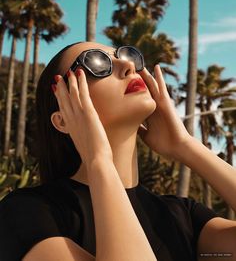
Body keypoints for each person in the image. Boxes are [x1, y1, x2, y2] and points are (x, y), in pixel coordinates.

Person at [0, 41, 236, 261]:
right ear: (62, 120)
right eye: (96, 63)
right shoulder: (29, 212)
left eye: (128, 55)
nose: (128, 65)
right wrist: (98, 160)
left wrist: (186, 145)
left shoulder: (182, 215)